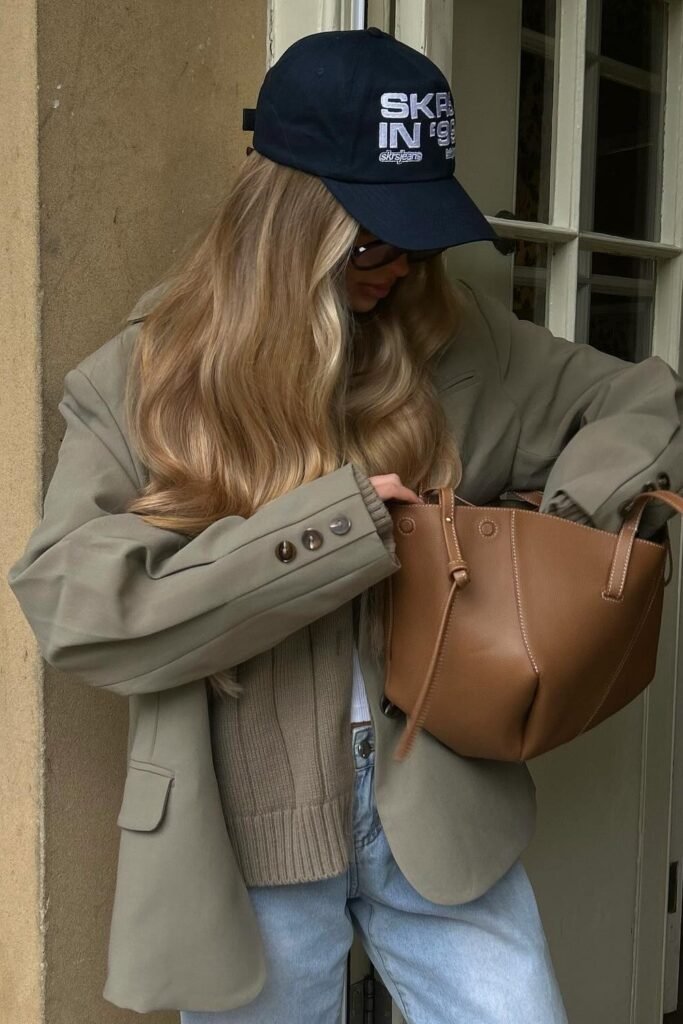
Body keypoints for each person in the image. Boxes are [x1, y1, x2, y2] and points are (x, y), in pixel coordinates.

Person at [6, 26, 683, 1024]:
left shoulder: (456, 341)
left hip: (439, 800)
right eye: (372, 240)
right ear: (289, 224)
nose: (399, 269)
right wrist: (333, 530)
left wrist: (552, 536)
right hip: (249, 832)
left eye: (418, 238)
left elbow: (641, 400)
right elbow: (72, 601)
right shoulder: (148, 379)